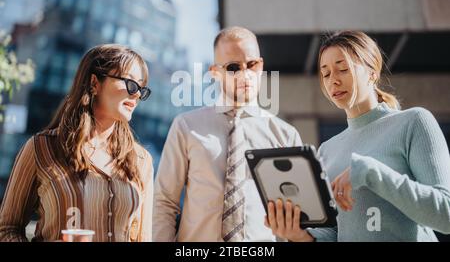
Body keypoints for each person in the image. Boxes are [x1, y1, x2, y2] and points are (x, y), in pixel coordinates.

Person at [265, 30, 450, 241]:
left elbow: (445, 214)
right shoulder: (327, 150)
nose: (333, 80)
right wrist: (301, 236)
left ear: (372, 73)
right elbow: (336, 232)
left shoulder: (413, 122)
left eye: (342, 69)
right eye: (325, 74)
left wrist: (370, 172)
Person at [153, 26, 302, 241]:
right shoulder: (186, 126)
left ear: (261, 66)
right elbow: (164, 202)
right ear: (215, 72)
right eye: (233, 67)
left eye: (252, 65)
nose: (245, 74)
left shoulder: (285, 135)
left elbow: (297, 215)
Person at [0, 44, 154, 242]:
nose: (137, 94)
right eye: (131, 84)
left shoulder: (141, 160)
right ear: (94, 83)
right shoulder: (42, 148)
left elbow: (143, 238)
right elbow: (7, 229)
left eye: (142, 89)